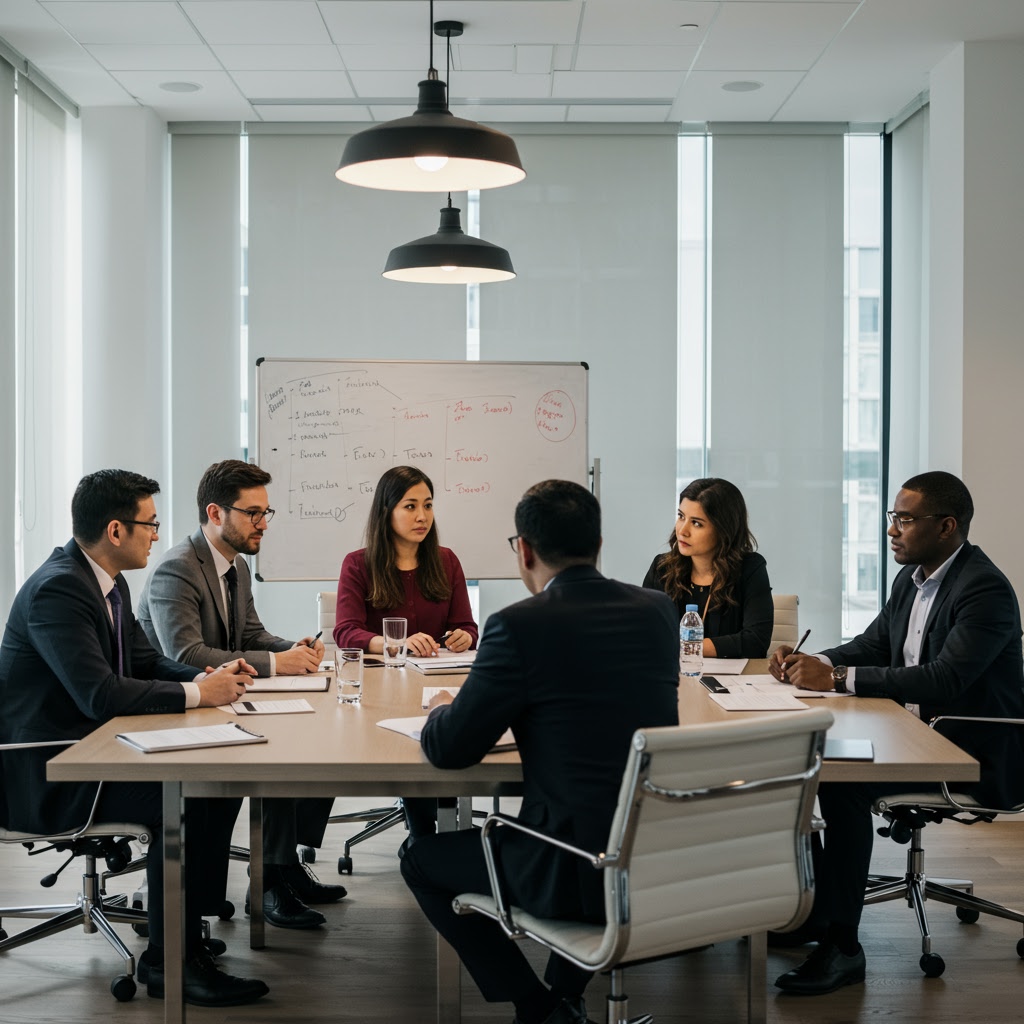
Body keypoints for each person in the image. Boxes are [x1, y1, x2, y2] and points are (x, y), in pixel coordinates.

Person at [400, 480, 680, 1024]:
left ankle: (539, 1009)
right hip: (655, 857)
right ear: (599, 544)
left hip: (568, 867)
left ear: (523, 550)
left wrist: (441, 708)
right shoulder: (658, 611)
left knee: (421, 858)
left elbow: (451, 749)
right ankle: (565, 998)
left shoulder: (517, 626)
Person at [0, 469, 268, 1006]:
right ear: (117, 530)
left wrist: (202, 680)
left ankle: (186, 934)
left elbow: (146, 662)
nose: (156, 534)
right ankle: (171, 963)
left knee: (219, 780)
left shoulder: (108, 582)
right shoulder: (59, 589)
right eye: (151, 523)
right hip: (49, 770)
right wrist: (200, 697)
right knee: (190, 792)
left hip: (92, 752)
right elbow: (99, 695)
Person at [768, 470, 1024, 995]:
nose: (892, 530)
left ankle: (842, 947)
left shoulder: (985, 590)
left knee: (839, 782)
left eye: (905, 519)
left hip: (970, 749)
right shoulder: (912, 579)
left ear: (947, 526)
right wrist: (812, 661)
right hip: (916, 733)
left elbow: (947, 679)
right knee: (814, 766)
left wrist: (836, 679)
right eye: (893, 517)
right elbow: (874, 644)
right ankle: (820, 914)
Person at [138, 459, 345, 930]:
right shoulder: (177, 569)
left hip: (222, 701)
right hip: (173, 714)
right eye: (253, 513)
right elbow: (186, 654)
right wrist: (277, 664)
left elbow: (251, 633)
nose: (263, 524)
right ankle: (271, 880)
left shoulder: (237, 567)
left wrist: (294, 648)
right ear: (215, 513)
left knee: (312, 736)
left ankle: (283, 866)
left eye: (266, 513)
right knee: (282, 749)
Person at [335, 465, 479, 842]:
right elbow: (345, 632)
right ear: (387, 511)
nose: (421, 516)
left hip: (433, 686)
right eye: (410, 506)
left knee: (443, 734)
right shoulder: (358, 563)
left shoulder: (446, 561)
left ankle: (433, 838)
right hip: (379, 690)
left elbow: (468, 626)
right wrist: (396, 643)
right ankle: (424, 837)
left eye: (428, 506)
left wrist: (464, 637)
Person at [642, 476, 774, 658]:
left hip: (734, 685)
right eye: (681, 516)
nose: (682, 530)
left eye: (696, 523)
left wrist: (683, 646)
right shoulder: (662, 568)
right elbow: (643, 632)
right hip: (672, 676)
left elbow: (756, 642)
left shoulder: (749, 568)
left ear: (724, 530)